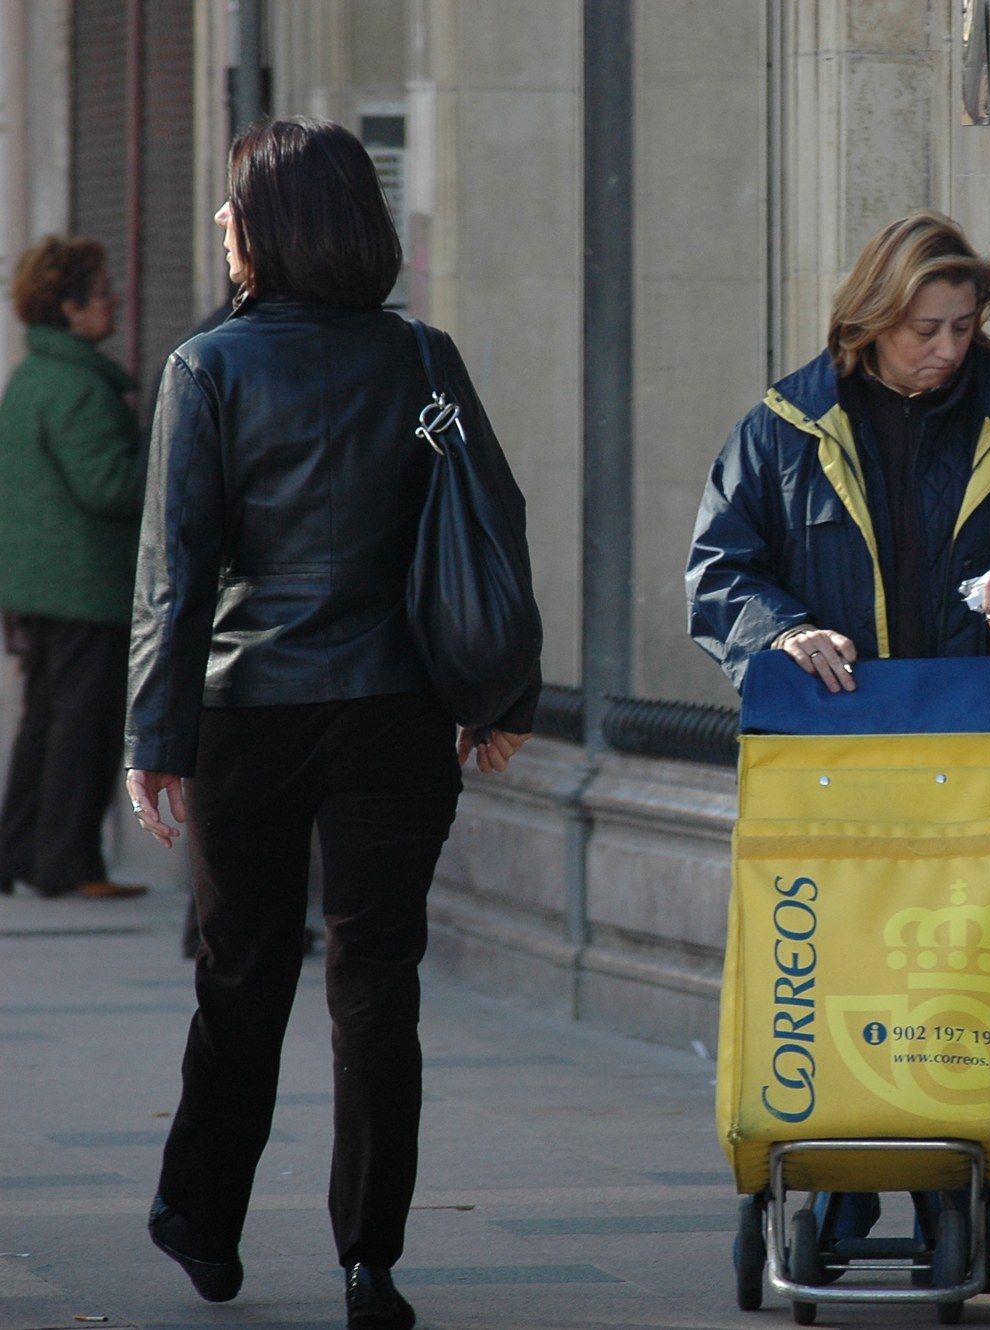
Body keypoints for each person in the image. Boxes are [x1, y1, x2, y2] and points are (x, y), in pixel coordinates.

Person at [123, 117, 535, 1330]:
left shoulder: (210, 369)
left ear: (273, 227)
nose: (218, 224)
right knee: (378, 979)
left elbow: (176, 570)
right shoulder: (423, 363)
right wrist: (497, 697)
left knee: (241, 970)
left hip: (250, 712)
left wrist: (155, 740)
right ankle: (369, 1258)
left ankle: (201, 1216)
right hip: (396, 715)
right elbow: (488, 527)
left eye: (232, 205)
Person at [686, 209, 990, 1253]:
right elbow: (718, 572)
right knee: (836, 965)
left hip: (971, 757)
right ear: (869, 320)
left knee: (950, 971)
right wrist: (782, 629)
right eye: (924, 327)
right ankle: (841, 1174)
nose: (945, 348)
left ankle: (944, 1175)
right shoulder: (782, 428)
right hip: (836, 759)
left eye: (963, 327)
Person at [0, 237, 149, 900]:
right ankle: (67, 863)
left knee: (44, 724)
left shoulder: (34, 376)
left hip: (42, 584)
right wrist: (175, 467)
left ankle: (21, 852)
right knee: (81, 730)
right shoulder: (79, 387)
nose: (115, 300)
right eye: (102, 291)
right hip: (85, 587)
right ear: (70, 307)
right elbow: (108, 487)